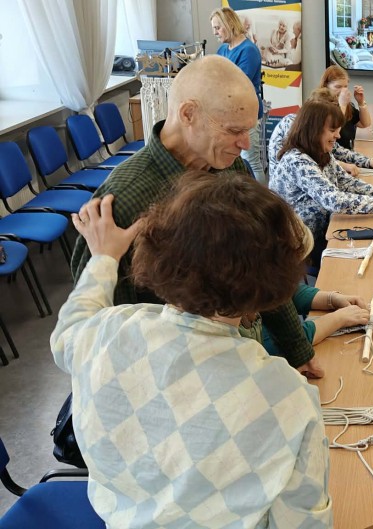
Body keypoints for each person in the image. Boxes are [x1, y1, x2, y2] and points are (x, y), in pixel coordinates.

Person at [52, 172, 333, 527]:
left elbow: (71, 326)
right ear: (276, 284)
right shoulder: (287, 395)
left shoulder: (105, 332)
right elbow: (303, 521)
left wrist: (104, 258)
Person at [69, 56, 322, 378]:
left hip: (237, 360)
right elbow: (102, 329)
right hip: (168, 378)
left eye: (248, 130)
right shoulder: (122, 201)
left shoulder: (230, 167)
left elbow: (262, 269)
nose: (245, 143)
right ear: (188, 114)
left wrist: (298, 350)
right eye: (233, 130)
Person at [269, 100, 373, 276]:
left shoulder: (320, 153)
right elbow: (335, 201)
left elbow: (344, 181)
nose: (338, 135)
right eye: (332, 130)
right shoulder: (297, 161)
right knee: (358, 268)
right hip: (298, 243)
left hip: (318, 231)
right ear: (314, 130)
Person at [268, 88, 373, 177]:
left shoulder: (314, 127)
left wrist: (371, 162)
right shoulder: (293, 126)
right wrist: (342, 166)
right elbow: (310, 164)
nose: (338, 135)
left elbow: (337, 150)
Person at [210, 7, 265, 182]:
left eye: (217, 27)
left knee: (251, 161)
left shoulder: (248, 50)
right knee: (233, 162)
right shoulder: (223, 49)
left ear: (229, 24)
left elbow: (239, 85)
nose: (215, 33)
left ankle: (261, 198)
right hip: (227, 113)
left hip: (246, 112)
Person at [319, 65, 371, 150]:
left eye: (345, 86)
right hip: (333, 153)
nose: (343, 91)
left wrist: (361, 103)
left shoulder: (347, 105)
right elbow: (333, 130)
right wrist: (342, 105)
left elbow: (365, 123)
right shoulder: (320, 106)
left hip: (347, 151)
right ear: (326, 85)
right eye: (338, 87)